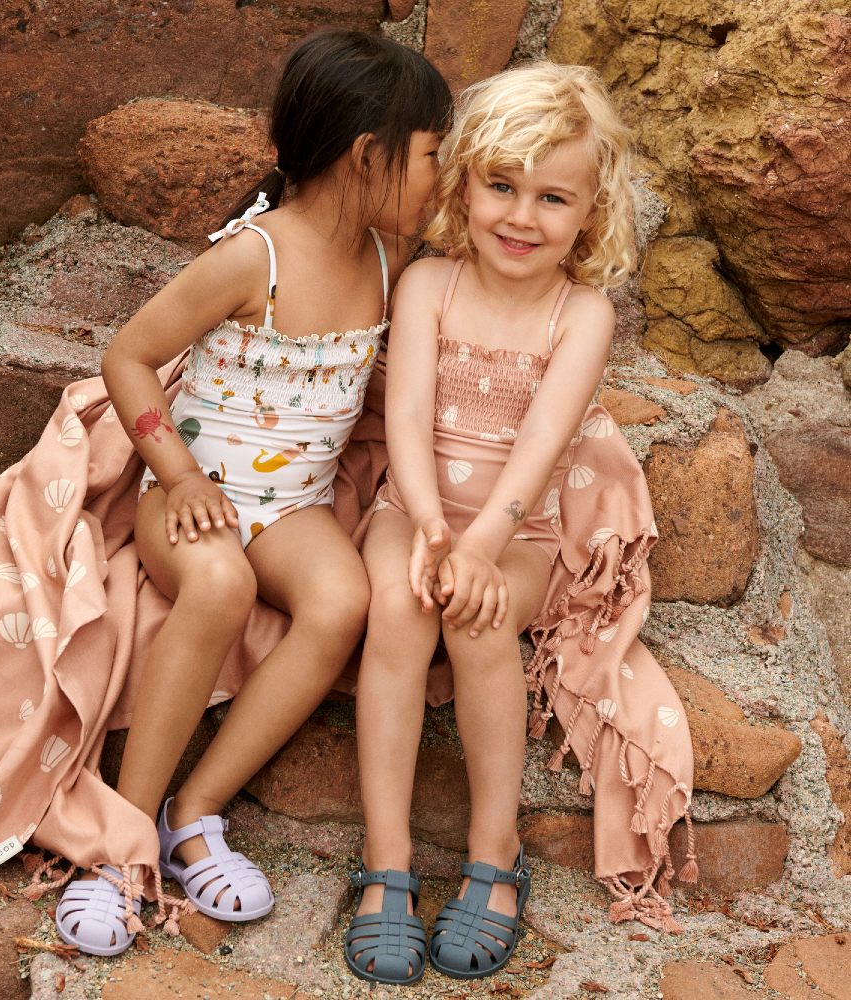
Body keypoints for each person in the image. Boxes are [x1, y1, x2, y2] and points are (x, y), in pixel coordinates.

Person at [45, 31, 453, 955]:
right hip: (194, 496)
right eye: (432, 153)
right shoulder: (254, 258)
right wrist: (177, 474)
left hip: (295, 506)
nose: (441, 175)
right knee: (220, 584)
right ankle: (120, 839)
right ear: (367, 155)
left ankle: (196, 813)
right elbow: (130, 356)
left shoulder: (390, 260)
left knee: (343, 597)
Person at [344, 62, 694, 985]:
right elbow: (407, 422)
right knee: (398, 607)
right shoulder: (428, 286)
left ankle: (493, 860)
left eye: (551, 197)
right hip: (411, 511)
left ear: (590, 211)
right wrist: (428, 529)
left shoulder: (581, 315)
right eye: (501, 185)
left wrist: (480, 550)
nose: (520, 216)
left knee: (481, 615)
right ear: (464, 182)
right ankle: (386, 866)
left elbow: (541, 447)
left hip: (521, 531)